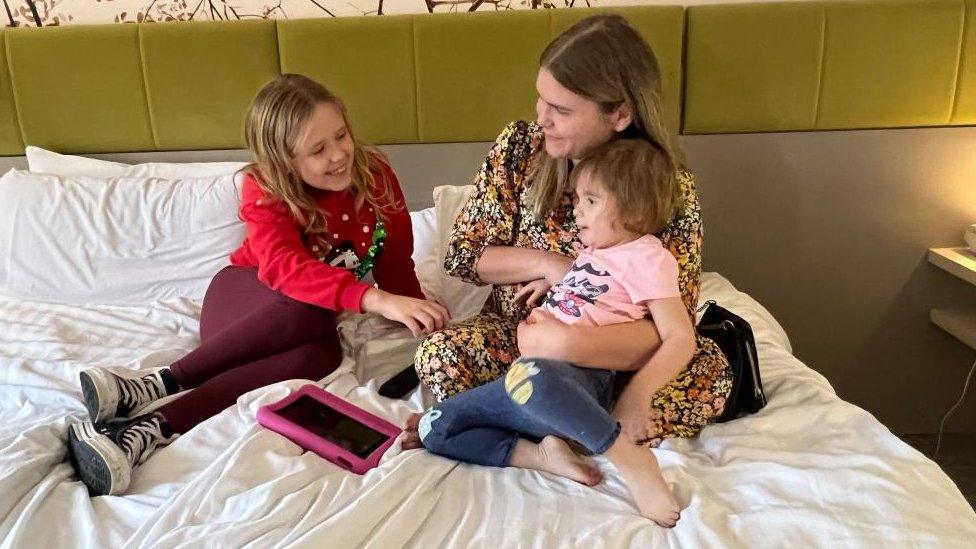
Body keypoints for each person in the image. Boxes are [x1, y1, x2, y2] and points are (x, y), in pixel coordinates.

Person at [67, 74, 449, 496]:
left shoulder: (374, 174)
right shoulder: (263, 189)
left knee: (320, 355)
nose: (340, 154)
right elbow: (285, 269)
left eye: (341, 135)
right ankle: (158, 383)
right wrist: (373, 299)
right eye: (318, 149)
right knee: (309, 307)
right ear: (283, 160)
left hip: (303, 326)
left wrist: (419, 315)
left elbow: (394, 260)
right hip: (241, 301)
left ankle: (150, 430)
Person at [406, 12, 732, 489]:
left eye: (561, 108)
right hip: (522, 339)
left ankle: (539, 420)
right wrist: (552, 265)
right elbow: (465, 255)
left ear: (619, 114)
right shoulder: (521, 149)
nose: (543, 117)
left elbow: (667, 327)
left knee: (709, 375)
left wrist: (572, 346)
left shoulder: (664, 187)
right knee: (441, 356)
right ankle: (572, 427)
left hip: (616, 356)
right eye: (541, 98)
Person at [415, 139, 695, 527]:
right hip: (530, 378)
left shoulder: (648, 256)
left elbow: (680, 337)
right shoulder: (594, 255)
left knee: (529, 378)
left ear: (631, 209)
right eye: (577, 199)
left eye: (590, 201)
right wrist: (556, 289)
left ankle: (629, 457)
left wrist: (637, 397)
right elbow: (594, 295)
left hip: (578, 378)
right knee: (434, 427)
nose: (576, 209)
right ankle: (544, 455)